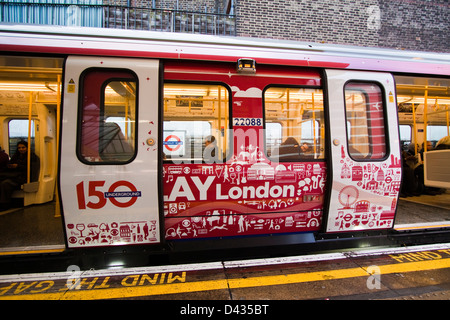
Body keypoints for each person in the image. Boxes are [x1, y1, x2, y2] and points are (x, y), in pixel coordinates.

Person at [0, 141, 39, 211]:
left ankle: (5, 204)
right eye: (19, 148)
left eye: (23, 147)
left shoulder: (32, 157)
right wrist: (10, 166)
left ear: (27, 148)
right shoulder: (16, 156)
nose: (21, 149)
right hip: (15, 175)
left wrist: (18, 166)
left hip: (23, 177)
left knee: (5, 183)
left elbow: (31, 169)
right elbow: (10, 163)